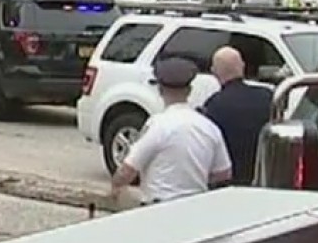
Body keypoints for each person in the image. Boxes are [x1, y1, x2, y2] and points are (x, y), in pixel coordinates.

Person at [111, 57, 232, 204]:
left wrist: (116, 187)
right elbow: (223, 174)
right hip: (195, 206)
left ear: (160, 90)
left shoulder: (158, 126)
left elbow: (127, 170)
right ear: (189, 91)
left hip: (159, 208)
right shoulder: (210, 128)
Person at [203, 46, 273, 186]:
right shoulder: (268, 96)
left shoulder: (214, 105)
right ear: (242, 66)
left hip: (230, 182)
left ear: (214, 72)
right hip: (264, 177)